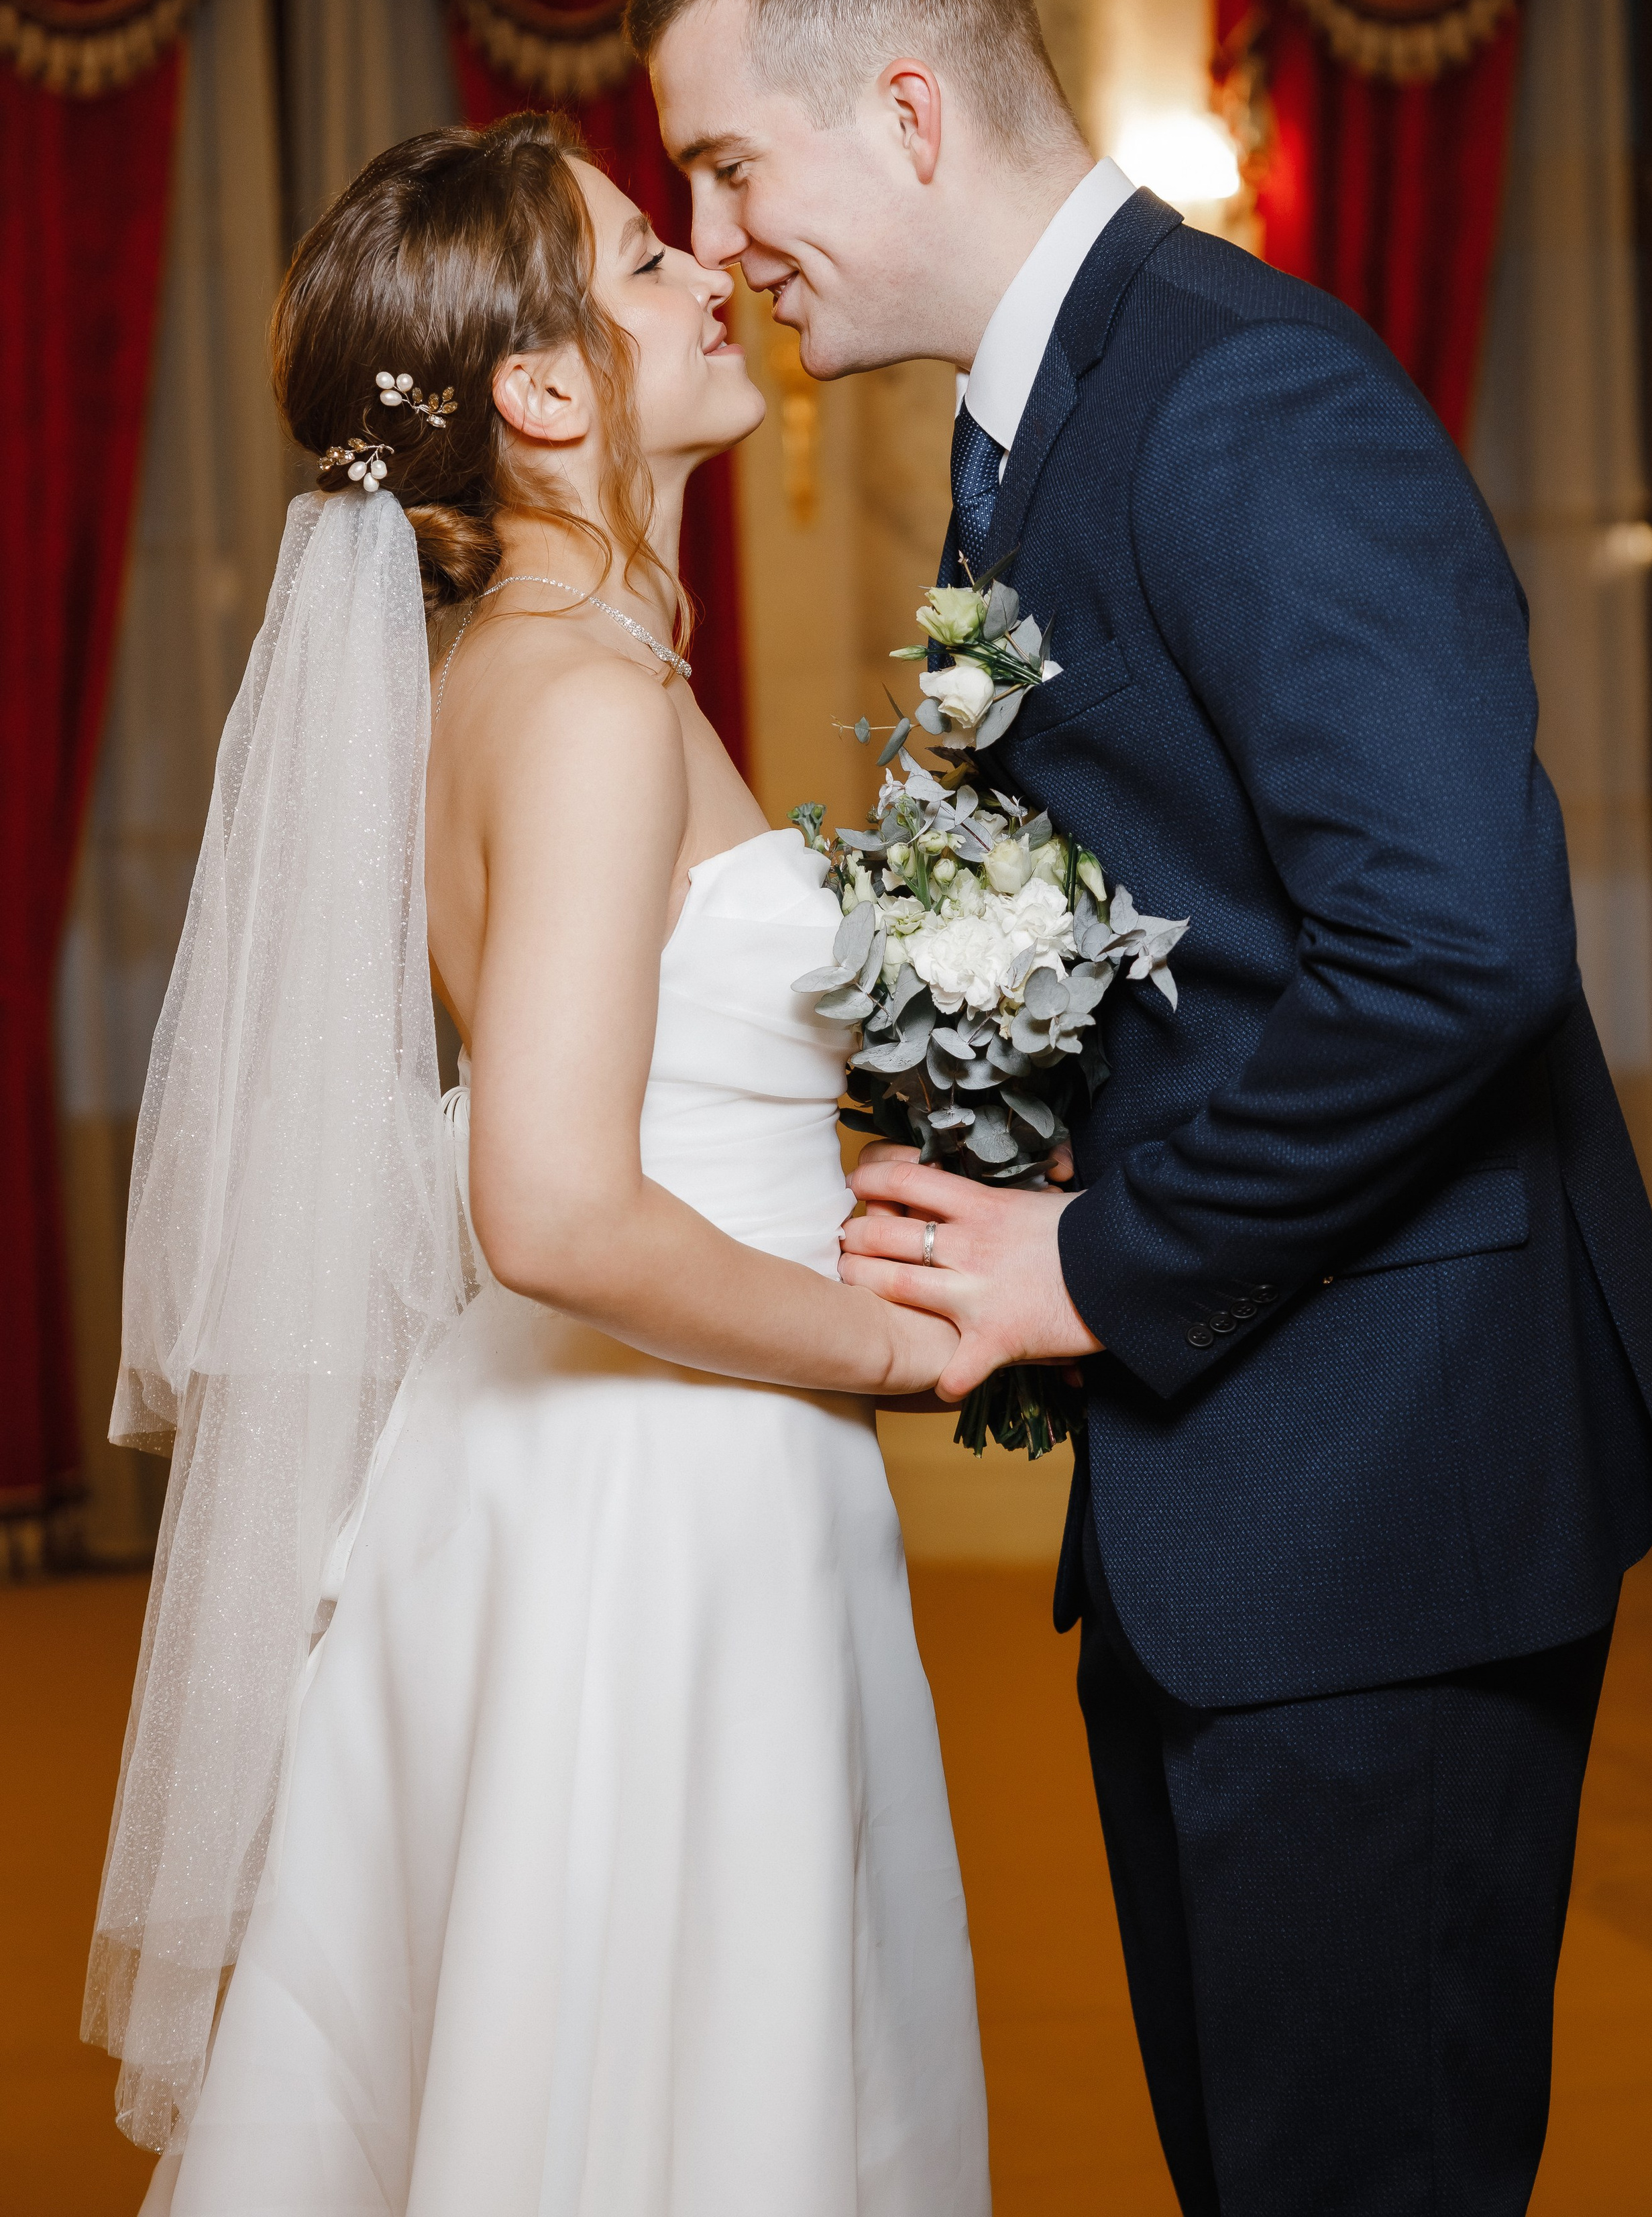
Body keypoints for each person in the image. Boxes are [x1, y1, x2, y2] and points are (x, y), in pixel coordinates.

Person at [630, 0, 1652, 2217]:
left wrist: (1089, 1267)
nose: (717, 246)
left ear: (907, 113)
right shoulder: (1030, 425)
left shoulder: (1243, 394)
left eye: (729, 165)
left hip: (1386, 1505)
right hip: (1253, 1506)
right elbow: (1207, 934)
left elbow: (1455, 945)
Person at [86, 113, 991, 2216]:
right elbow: (558, 1206)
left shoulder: (538, 671)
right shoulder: (581, 700)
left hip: (569, 1457)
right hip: (655, 1490)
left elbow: (654, 1092)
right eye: (649, 251)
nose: (714, 270)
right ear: (550, 390)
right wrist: (897, 1349)